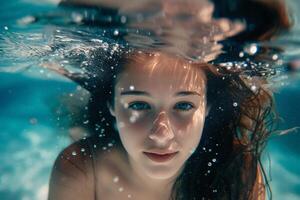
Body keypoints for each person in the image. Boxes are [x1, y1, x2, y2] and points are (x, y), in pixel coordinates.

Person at [47, 0, 291, 199]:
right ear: (112, 105)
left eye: (184, 105)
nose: (161, 134)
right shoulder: (82, 169)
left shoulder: (237, 170)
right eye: (139, 105)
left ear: (207, 107)